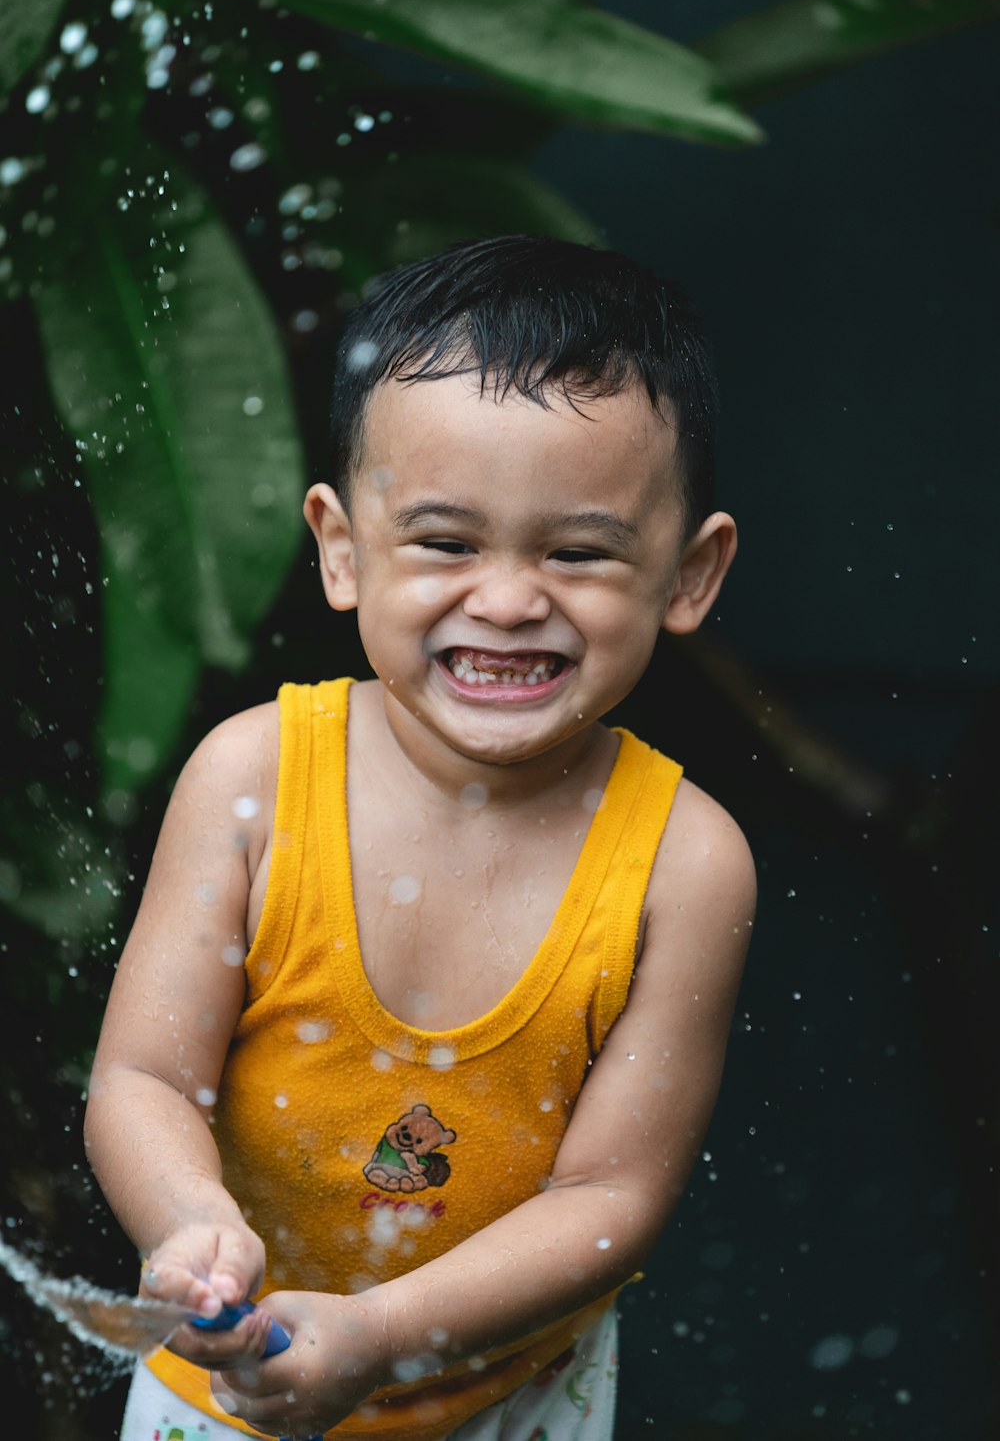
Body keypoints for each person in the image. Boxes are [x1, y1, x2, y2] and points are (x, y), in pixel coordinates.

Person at [83, 234, 756, 1441]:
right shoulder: (255, 783)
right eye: (446, 542)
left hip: (508, 1398)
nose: (505, 599)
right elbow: (139, 1078)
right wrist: (189, 1225)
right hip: (224, 1398)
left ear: (688, 574)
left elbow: (612, 1196)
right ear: (343, 549)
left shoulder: (683, 866)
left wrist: (386, 1335)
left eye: (578, 552)